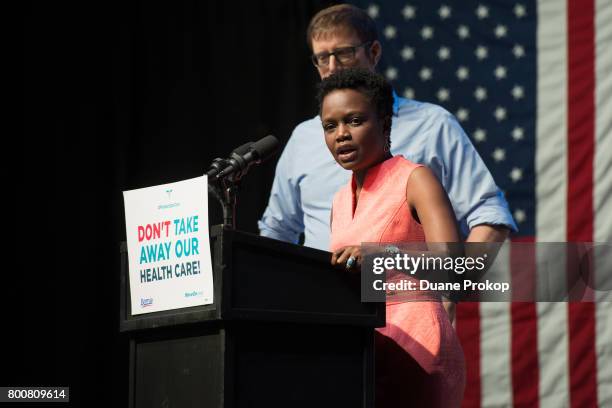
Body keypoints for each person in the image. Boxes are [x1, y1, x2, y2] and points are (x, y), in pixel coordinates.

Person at [258, 4, 517, 250]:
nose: (333, 68)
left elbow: (490, 216)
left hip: (404, 294)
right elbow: (277, 231)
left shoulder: (432, 125)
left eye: (344, 53)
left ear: (374, 52)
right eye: (323, 58)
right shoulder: (304, 138)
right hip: (318, 294)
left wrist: (452, 288)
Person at [320, 67, 465, 407]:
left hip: (419, 351)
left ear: (384, 123)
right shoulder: (339, 201)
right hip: (364, 357)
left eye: (354, 121)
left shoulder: (416, 179)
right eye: (330, 126)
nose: (341, 134)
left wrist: (382, 255)